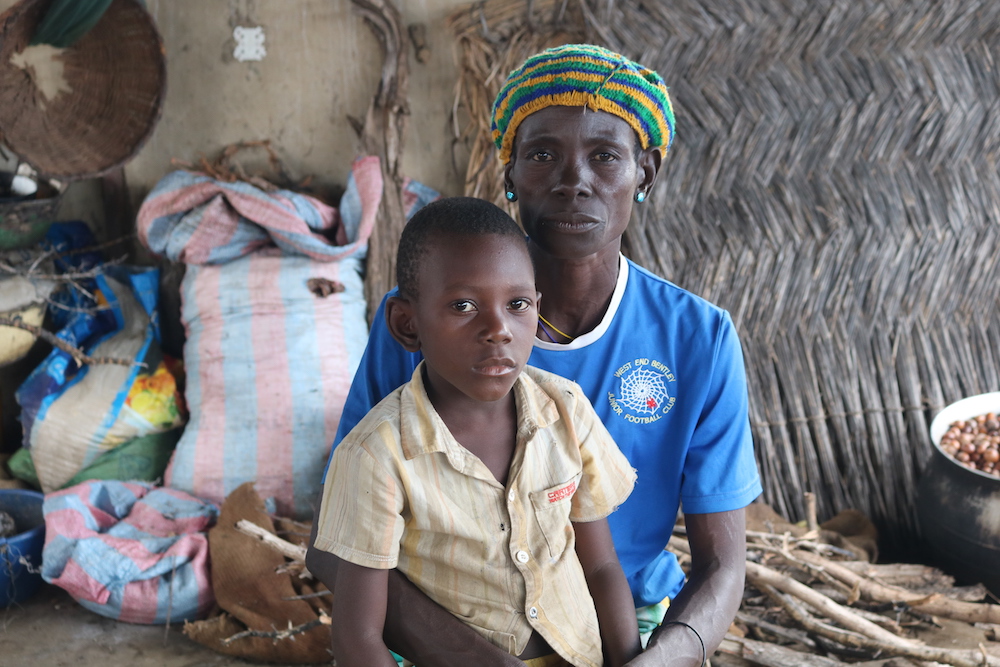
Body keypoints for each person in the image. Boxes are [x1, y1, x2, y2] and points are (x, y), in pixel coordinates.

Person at [307, 43, 763, 667]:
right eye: (543, 154)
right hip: (451, 621)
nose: (574, 180)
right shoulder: (428, 321)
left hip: (624, 618)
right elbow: (334, 544)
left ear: (646, 173)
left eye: (605, 156)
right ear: (510, 177)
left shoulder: (697, 339)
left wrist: (655, 660)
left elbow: (722, 565)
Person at [314, 196, 641, 667]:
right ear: (407, 324)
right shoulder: (377, 454)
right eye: (464, 305)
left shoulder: (564, 409)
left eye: (517, 304)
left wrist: (629, 659)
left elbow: (603, 566)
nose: (498, 329)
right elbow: (358, 638)